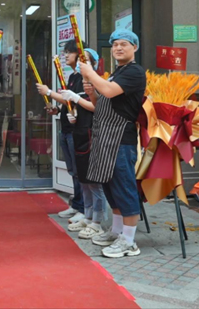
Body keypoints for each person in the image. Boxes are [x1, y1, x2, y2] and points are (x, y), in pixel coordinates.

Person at [78, 29, 146, 258]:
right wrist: (92, 94)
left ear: (134, 47)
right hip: (104, 138)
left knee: (124, 188)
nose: (118, 48)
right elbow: (102, 104)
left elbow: (108, 90)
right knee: (110, 186)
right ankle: (117, 231)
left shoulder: (134, 72)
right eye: (115, 44)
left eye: (123, 44)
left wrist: (90, 73)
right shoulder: (117, 73)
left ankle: (129, 241)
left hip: (121, 139)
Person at [36, 44, 107, 235]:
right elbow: (73, 104)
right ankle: (86, 214)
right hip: (77, 131)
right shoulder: (76, 78)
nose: (67, 56)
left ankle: (96, 220)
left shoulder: (95, 82)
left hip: (90, 134)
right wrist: (67, 111)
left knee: (92, 180)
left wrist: (53, 93)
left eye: (85, 60)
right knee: (81, 176)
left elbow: (96, 107)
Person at [35, 41, 86, 223]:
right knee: (73, 170)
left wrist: (49, 92)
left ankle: (84, 208)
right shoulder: (72, 76)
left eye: (69, 52)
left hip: (76, 130)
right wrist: (56, 110)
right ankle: (76, 204)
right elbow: (67, 104)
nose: (66, 56)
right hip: (65, 128)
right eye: (64, 52)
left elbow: (74, 100)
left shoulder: (84, 77)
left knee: (80, 171)